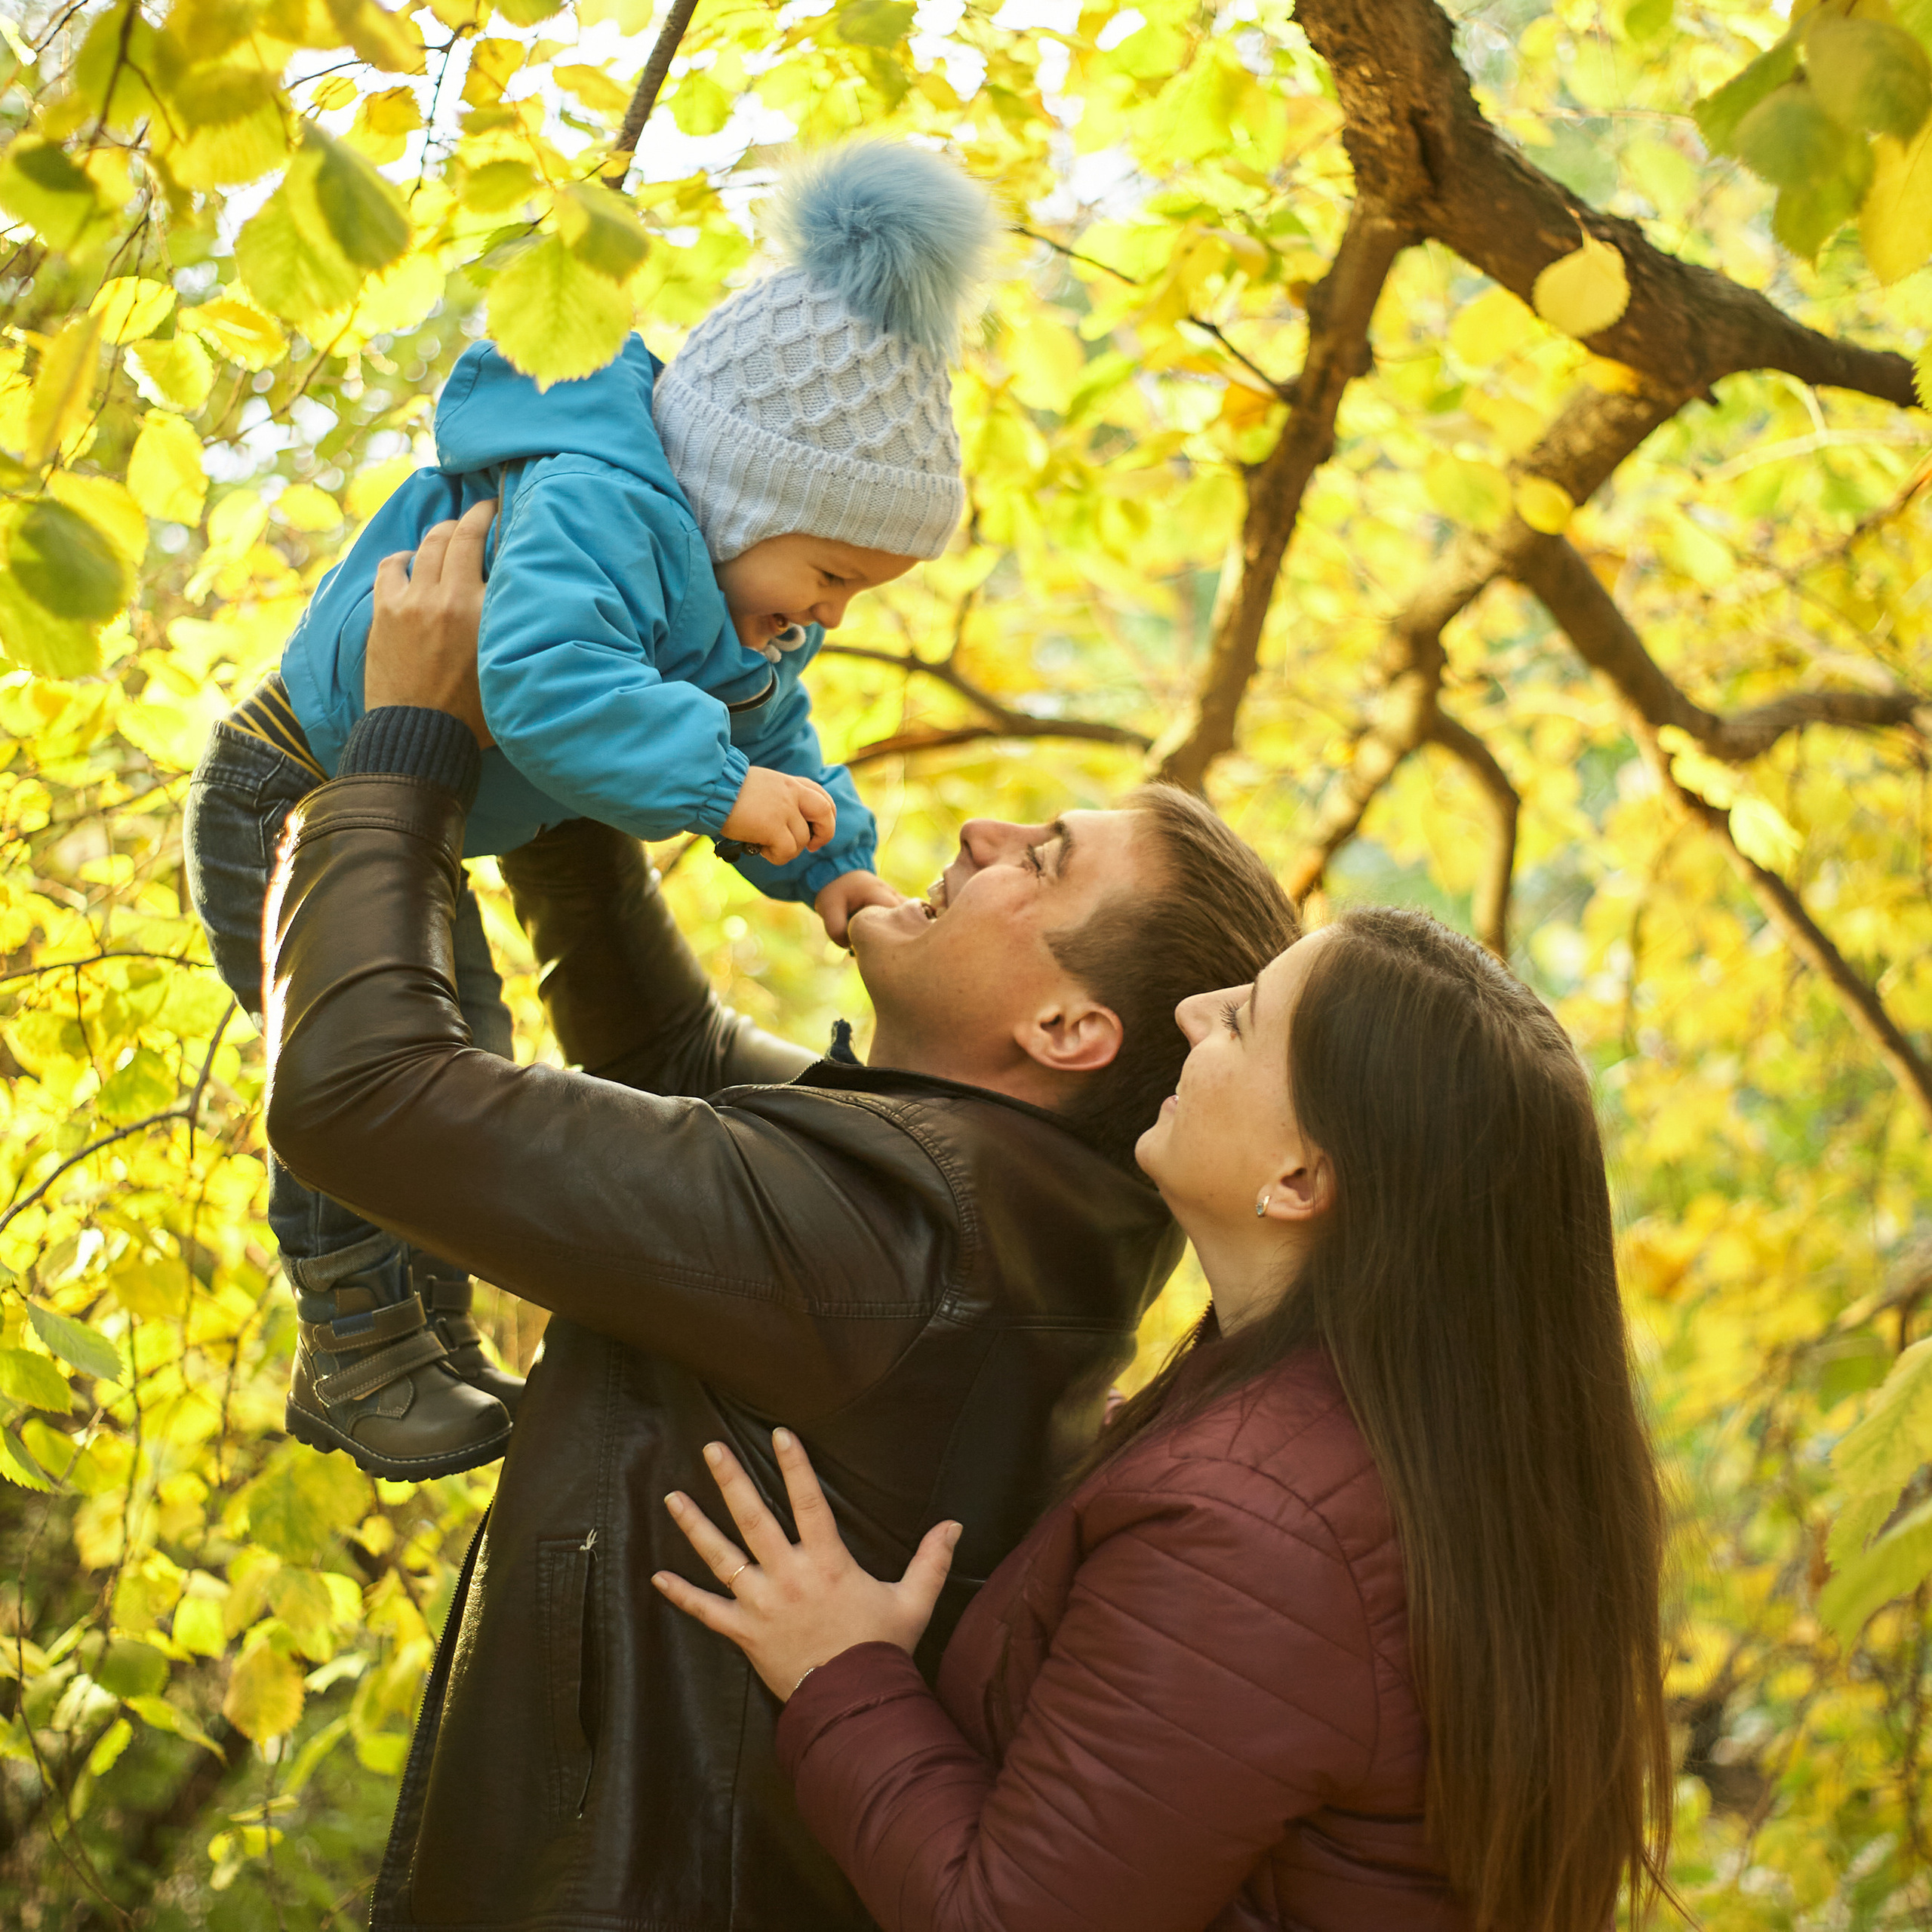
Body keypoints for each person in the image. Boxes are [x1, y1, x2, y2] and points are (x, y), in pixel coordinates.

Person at [258, 501, 1301, 1931]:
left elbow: (359, 1090)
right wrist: (572, 726)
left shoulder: (895, 1235)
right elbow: (677, 1065)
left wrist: (409, 743)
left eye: (1043, 860)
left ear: (1068, 1030)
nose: (984, 831)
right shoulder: (1004, 1201)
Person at [183, 140, 996, 1479]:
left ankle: (429, 1336)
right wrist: (724, 793)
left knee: (468, 1053)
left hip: (419, 812)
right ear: (742, 496)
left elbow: (771, 731)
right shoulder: (601, 506)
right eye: (833, 573)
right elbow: (545, 684)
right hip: (296, 791)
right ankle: (356, 1348)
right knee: (366, 1063)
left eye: (858, 594)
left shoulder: (735, 602)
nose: (835, 614)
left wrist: (833, 864)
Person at [656, 909, 1677, 1930]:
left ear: (1300, 1179)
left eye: (1242, 1020)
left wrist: (842, 1672)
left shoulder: (1253, 1534)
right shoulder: (1362, 1440)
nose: (1192, 1012)